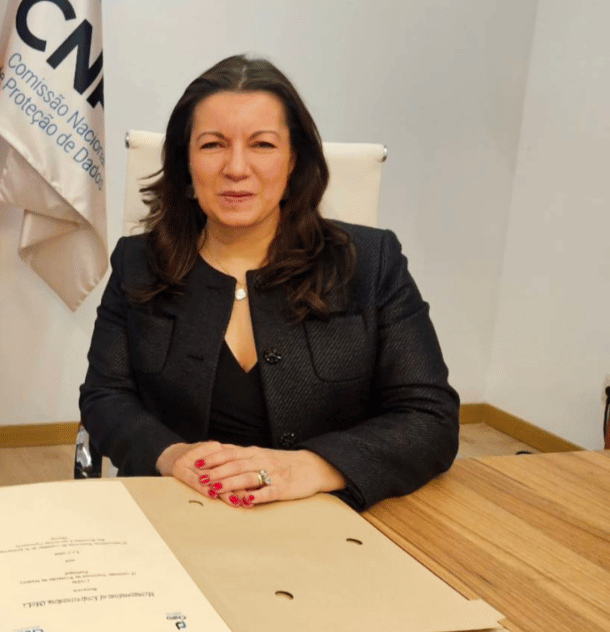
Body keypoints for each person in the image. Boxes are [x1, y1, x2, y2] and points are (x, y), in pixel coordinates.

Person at [79, 55, 458, 511]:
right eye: (213, 145)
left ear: (294, 160)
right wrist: (172, 455)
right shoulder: (137, 263)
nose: (236, 168)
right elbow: (105, 397)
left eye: (262, 144)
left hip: (326, 517)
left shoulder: (371, 262)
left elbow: (430, 418)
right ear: (185, 163)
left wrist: (312, 467)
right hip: (174, 511)